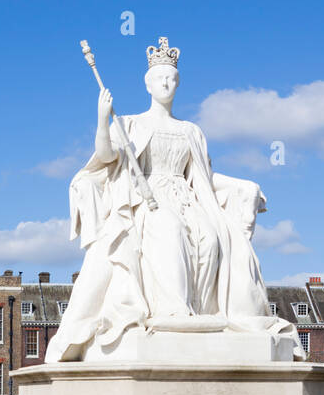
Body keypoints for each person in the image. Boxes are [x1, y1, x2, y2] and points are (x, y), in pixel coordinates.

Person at [44, 37, 302, 363]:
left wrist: (243, 187)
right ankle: (174, 312)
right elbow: (105, 156)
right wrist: (102, 118)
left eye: (172, 79)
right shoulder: (130, 124)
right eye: (160, 79)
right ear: (148, 85)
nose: (167, 83)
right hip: (146, 200)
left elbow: (204, 179)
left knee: (211, 238)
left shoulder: (191, 131)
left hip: (187, 197)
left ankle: (200, 312)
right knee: (168, 230)